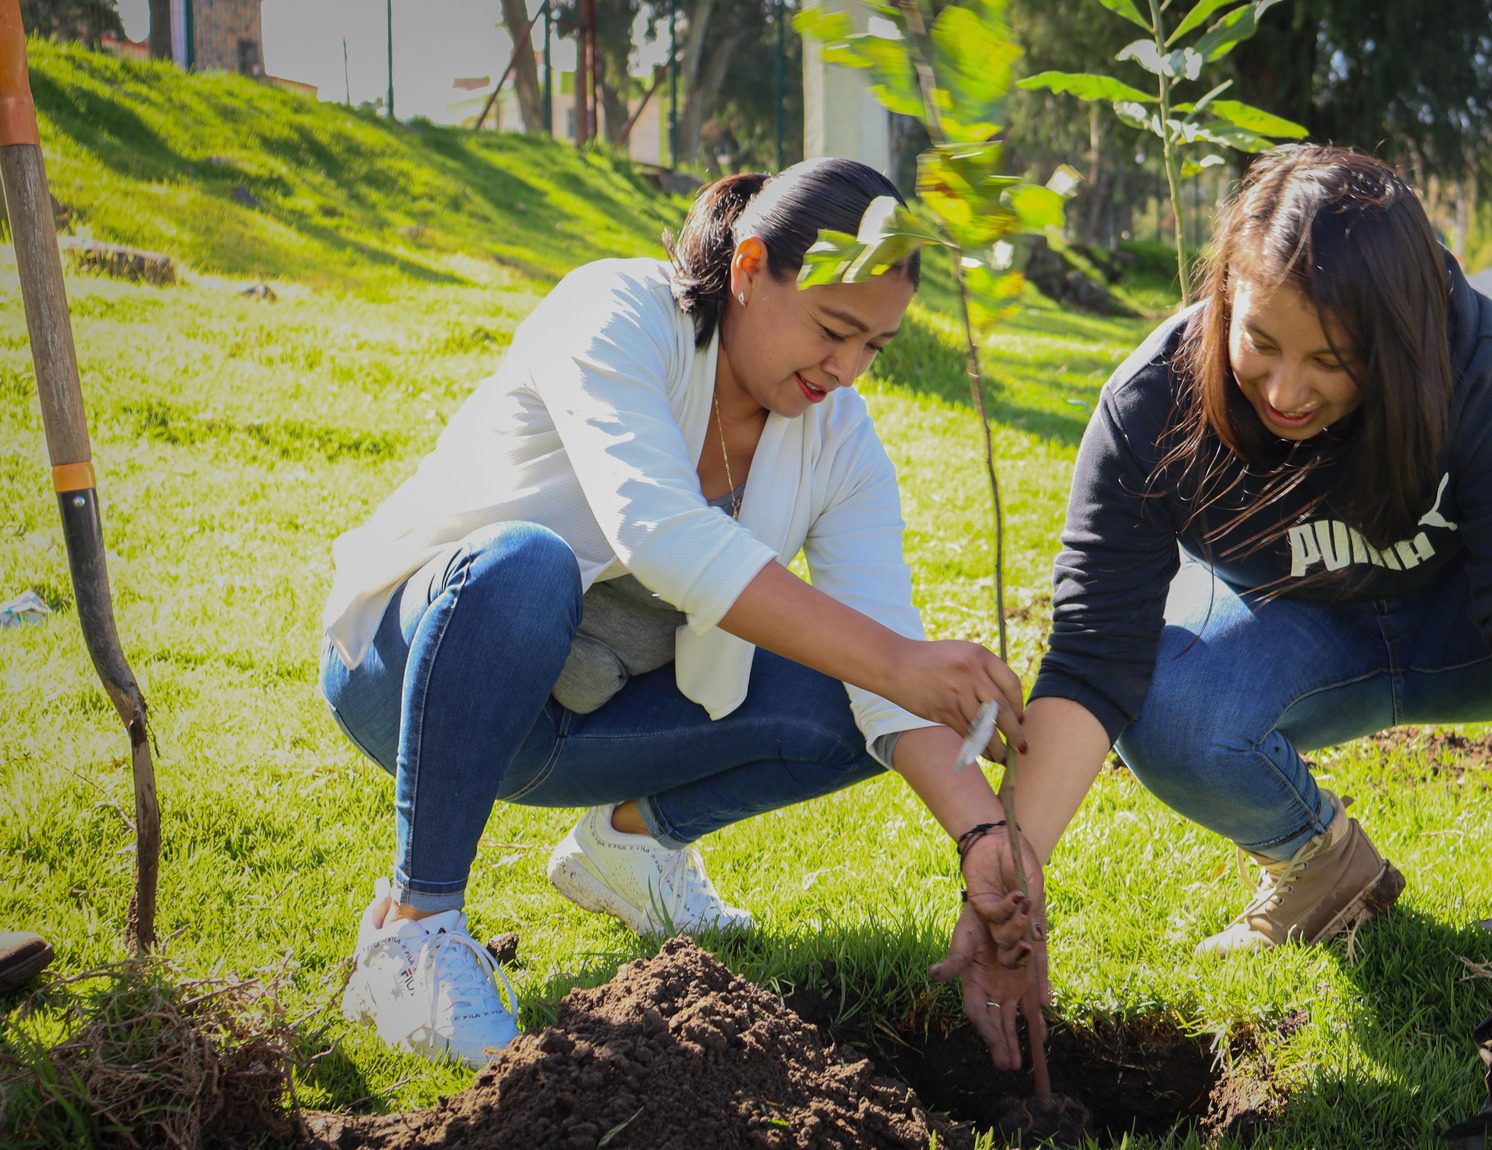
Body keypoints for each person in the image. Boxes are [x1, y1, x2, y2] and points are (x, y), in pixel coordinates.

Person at [320, 158, 1037, 1068]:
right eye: (832, 327)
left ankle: (631, 845)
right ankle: (413, 936)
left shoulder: (838, 442)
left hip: (575, 723)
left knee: (849, 687)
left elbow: (884, 674)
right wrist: (898, 663)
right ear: (746, 270)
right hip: (416, 670)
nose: (848, 369)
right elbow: (655, 529)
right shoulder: (615, 314)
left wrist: (980, 839)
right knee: (528, 567)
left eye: (874, 347)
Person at [999, 145, 1492, 1055]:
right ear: (1222, 299)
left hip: (1466, 626)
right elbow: (1094, 650)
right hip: (1299, 635)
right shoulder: (1154, 401)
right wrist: (1015, 869)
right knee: (1164, 690)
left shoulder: (1484, 370)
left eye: (1331, 359)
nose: (1287, 391)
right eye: (1259, 341)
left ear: (1401, 337)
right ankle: (1320, 866)